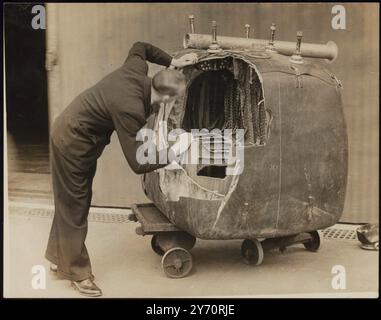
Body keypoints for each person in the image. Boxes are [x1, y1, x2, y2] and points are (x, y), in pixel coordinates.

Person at [45, 42, 198, 297]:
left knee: (70, 200)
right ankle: (78, 273)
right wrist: (177, 151)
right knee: (76, 203)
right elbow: (138, 163)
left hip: (71, 130)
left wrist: (173, 61)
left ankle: (57, 256)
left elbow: (140, 47)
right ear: (166, 97)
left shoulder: (135, 70)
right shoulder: (130, 109)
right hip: (73, 143)